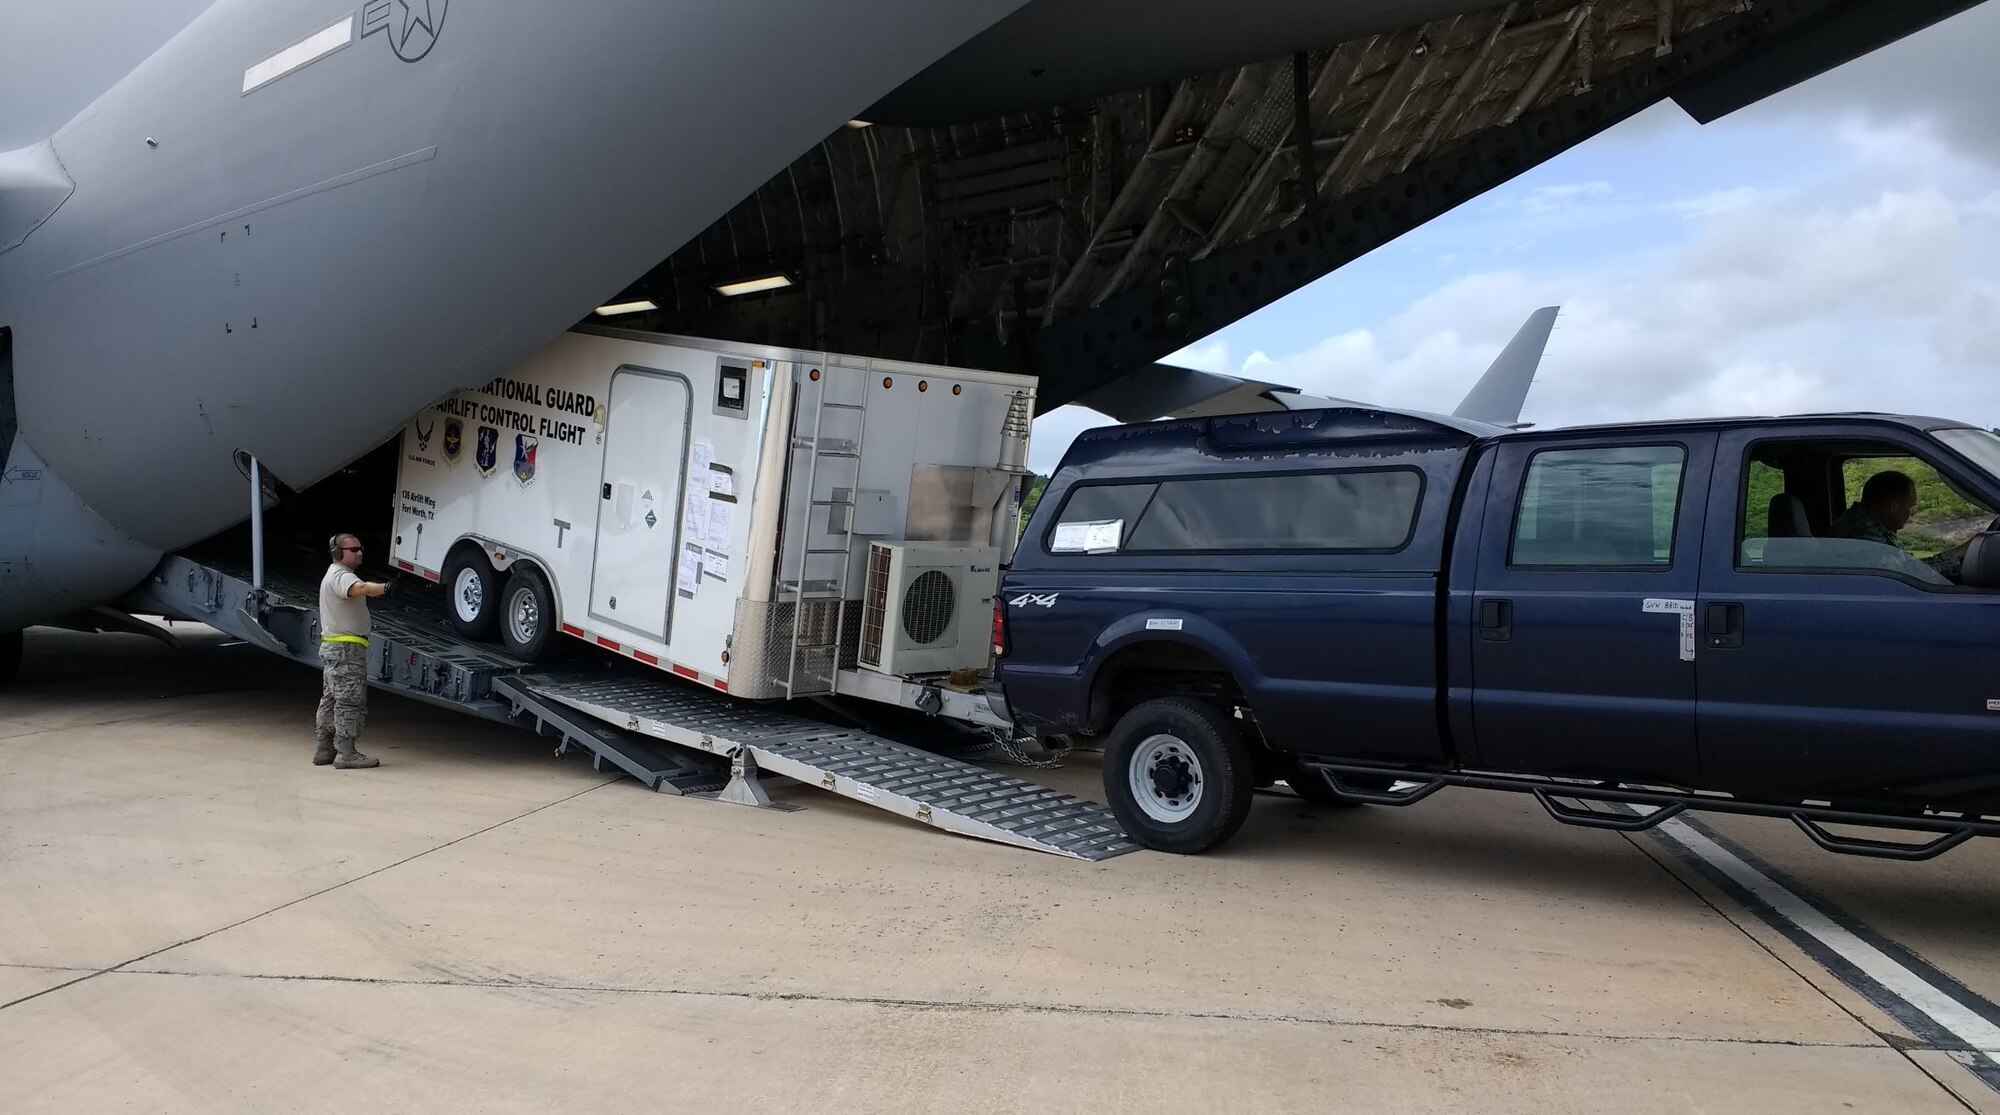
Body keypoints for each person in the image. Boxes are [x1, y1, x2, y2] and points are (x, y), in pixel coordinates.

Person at [317, 533, 389, 768]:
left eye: (360, 548)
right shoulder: (341, 576)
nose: (359, 552)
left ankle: (324, 749)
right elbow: (359, 588)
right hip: (346, 650)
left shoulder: (334, 575)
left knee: (330, 700)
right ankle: (346, 753)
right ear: (339, 554)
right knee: (350, 701)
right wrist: (382, 588)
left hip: (335, 648)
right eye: (354, 549)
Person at [1829, 470, 1971, 581]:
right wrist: (1957, 553)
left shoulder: (1863, 524)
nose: (1912, 514)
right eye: (1910, 506)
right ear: (1894, 506)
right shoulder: (1863, 537)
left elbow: (1907, 566)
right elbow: (1912, 575)